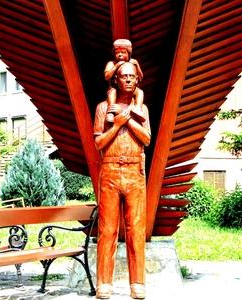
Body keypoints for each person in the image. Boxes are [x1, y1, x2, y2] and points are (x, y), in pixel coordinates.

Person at [94, 62, 151, 299]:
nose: (127, 80)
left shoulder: (142, 109)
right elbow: (98, 143)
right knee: (107, 229)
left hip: (134, 173)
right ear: (115, 80)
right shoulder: (102, 108)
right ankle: (104, 282)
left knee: (136, 229)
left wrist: (127, 120)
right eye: (123, 76)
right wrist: (116, 124)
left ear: (137, 80)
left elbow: (147, 139)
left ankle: (137, 282)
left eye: (131, 76)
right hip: (109, 171)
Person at [104, 39, 145, 123]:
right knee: (112, 92)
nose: (119, 55)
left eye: (123, 52)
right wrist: (116, 66)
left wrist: (137, 65)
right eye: (117, 53)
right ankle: (111, 112)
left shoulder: (132, 63)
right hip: (115, 88)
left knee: (140, 92)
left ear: (128, 54)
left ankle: (138, 108)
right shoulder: (112, 63)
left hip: (130, 89)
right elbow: (106, 77)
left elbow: (140, 78)